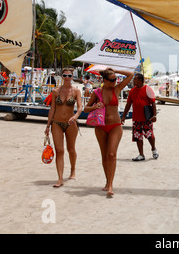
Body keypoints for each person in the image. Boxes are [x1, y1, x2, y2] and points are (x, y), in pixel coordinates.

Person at [84, 68, 133, 196]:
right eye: (112, 80)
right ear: (104, 80)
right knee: (105, 155)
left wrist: (113, 69)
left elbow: (130, 74)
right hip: (100, 126)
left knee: (111, 154)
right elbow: (85, 109)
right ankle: (107, 181)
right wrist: (95, 106)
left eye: (115, 79)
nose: (114, 81)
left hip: (115, 126)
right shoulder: (97, 92)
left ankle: (111, 185)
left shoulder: (116, 89)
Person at [45, 67, 82, 188]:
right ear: (61, 77)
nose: (67, 78)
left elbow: (80, 107)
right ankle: (60, 178)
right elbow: (52, 108)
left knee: (71, 149)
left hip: (71, 123)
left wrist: (75, 116)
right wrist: (48, 125)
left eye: (69, 76)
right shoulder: (56, 91)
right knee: (59, 150)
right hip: (57, 123)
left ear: (72, 77)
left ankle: (73, 171)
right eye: (65, 76)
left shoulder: (76, 91)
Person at [122, 73, 158, 161]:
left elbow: (153, 103)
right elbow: (128, 104)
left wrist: (154, 115)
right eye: (134, 79)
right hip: (136, 118)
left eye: (135, 79)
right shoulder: (132, 91)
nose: (133, 81)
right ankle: (141, 154)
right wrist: (123, 116)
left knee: (150, 135)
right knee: (138, 136)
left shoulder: (148, 89)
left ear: (141, 81)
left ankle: (153, 149)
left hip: (147, 118)